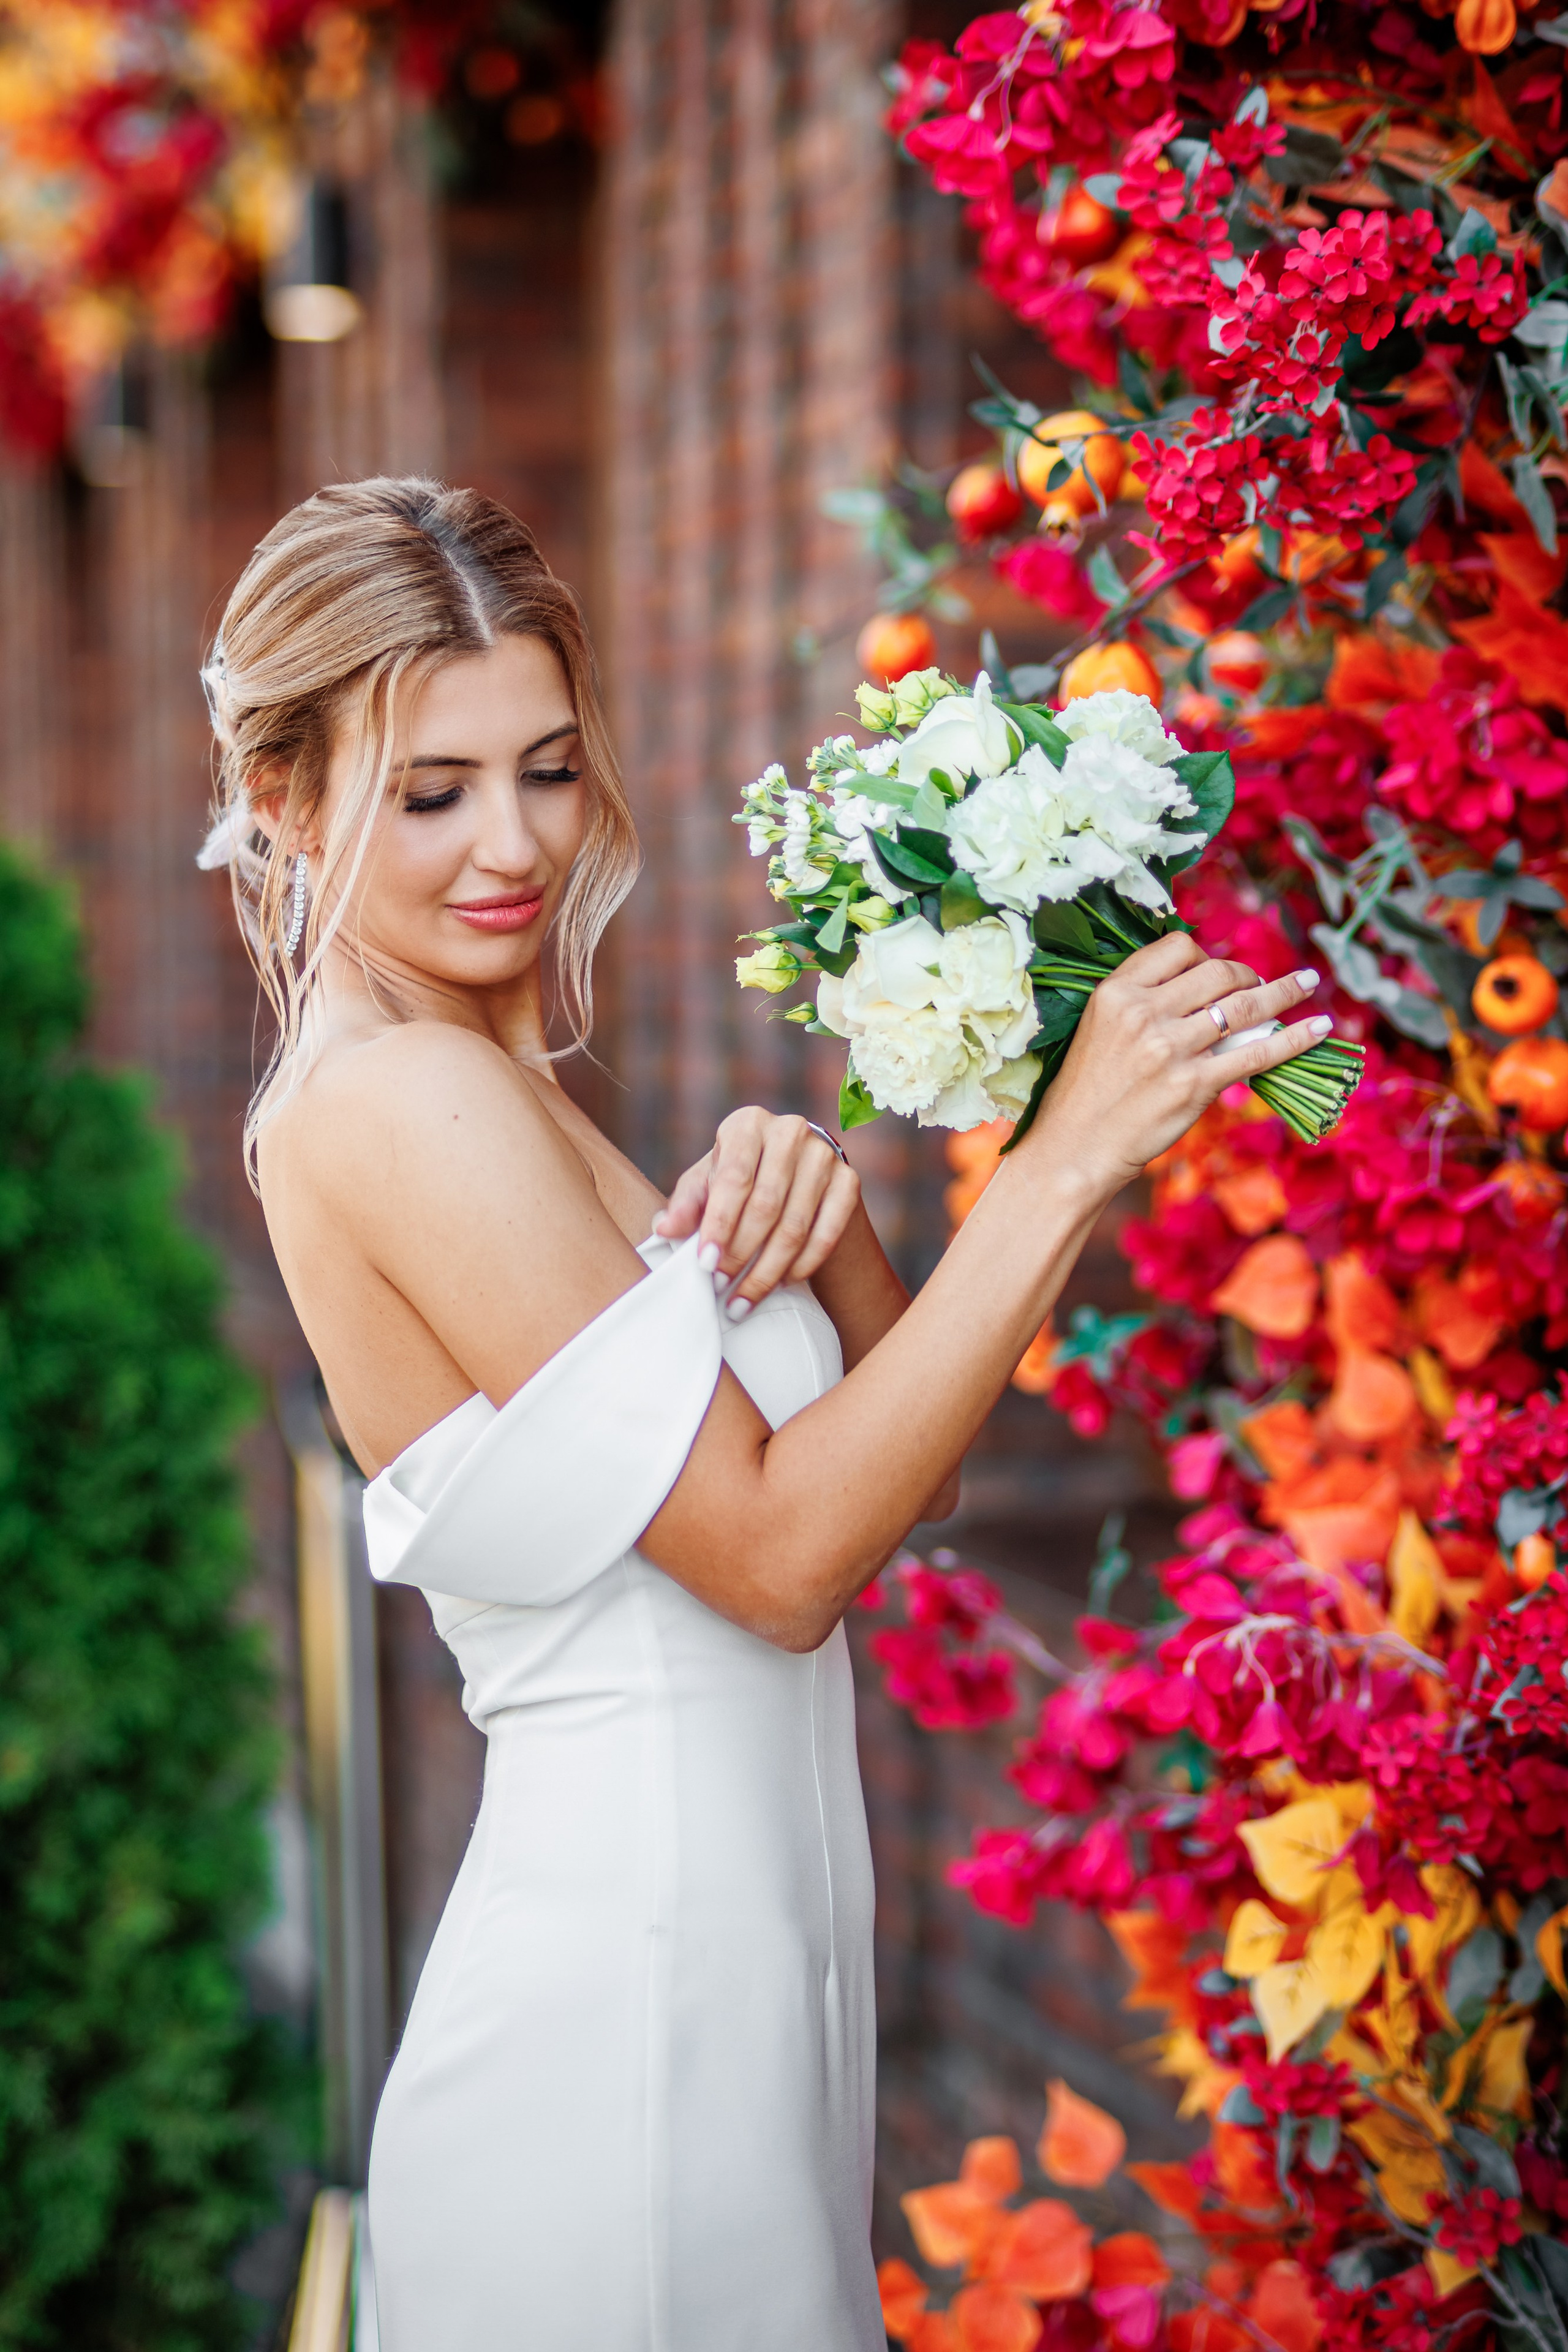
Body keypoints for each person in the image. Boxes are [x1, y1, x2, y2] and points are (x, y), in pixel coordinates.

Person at [199, 478, 1331, 2351]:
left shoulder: (497, 1080)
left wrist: (827, 1213)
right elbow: (781, 1564)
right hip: (616, 2023)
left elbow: (908, 1473)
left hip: (732, 1982)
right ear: (289, 800)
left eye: (549, 769)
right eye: (432, 790)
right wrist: (1058, 1168)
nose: (515, 845)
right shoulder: (403, 1100)